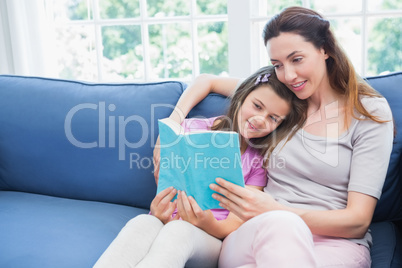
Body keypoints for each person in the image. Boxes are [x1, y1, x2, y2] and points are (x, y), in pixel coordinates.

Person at [153, 6, 395, 268]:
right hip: (257, 231)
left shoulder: (368, 111)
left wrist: (277, 210)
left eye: (297, 59)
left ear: (325, 49)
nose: (289, 75)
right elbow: (207, 81)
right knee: (281, 226)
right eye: (278, 65)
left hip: (334, 243)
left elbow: (358, 221)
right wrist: (172, 125)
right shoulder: (282, 100)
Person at [94, 65, 307, 268]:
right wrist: (159, 212)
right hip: (167, 219)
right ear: (241, 97)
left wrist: (205, 222)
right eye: (257, 106)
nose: (260, 120)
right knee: (141, 223)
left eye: (273, 118)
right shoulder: (192, 129)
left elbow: (235, 222)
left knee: (179, 231)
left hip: (209, 237)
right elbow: (166, 184)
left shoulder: (259, 160)